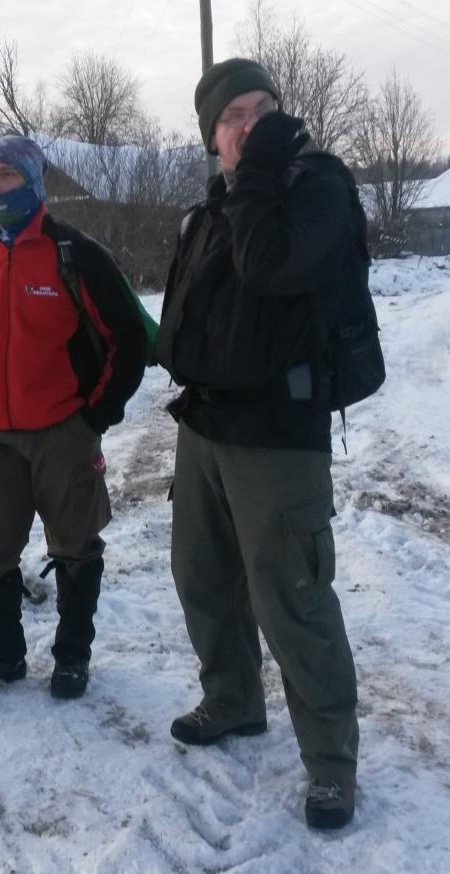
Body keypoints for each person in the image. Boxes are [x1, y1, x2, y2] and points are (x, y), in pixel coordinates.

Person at [155, 59, 362, 830]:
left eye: (261, 109)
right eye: (232, 116)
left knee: (293, 598)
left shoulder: (316, 189)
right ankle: (234, 699)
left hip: (279, 431)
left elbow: (270, 268)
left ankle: (331, 762)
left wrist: (263, 173)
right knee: (202, 575)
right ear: (211, 136)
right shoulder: (210, 211)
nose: (249, 125)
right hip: (206, 425)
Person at [0, 136, 148, 700]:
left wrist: (96, 414)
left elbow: (129, 338)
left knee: (76, 547)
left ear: (34, 183)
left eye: (5, 175)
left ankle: (72, 657)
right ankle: (2, 655)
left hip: (64, 430)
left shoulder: (75, 254)